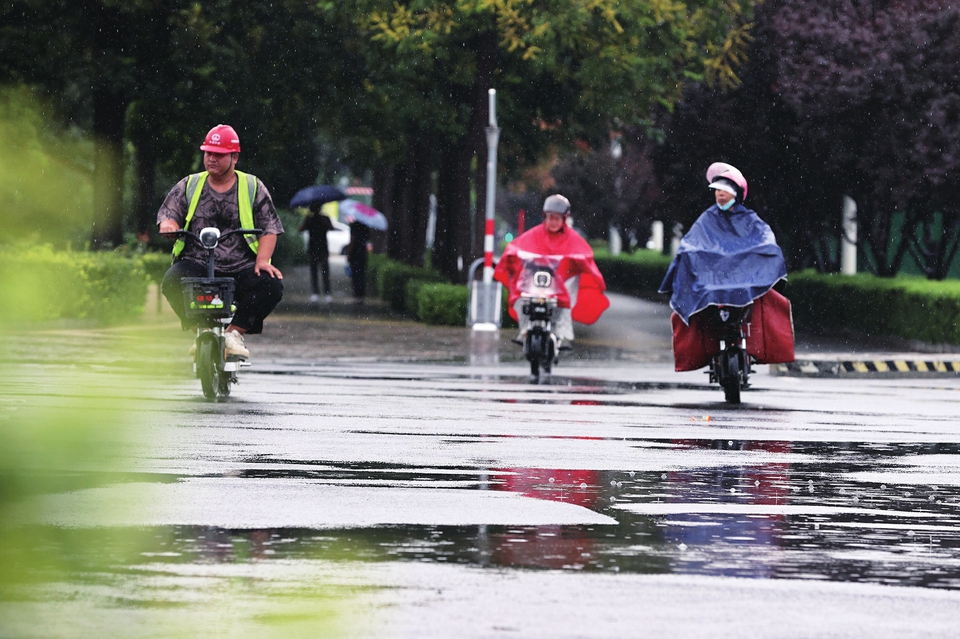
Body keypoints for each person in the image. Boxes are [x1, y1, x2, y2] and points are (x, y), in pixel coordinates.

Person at [158, 124, 284, 361]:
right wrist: (169, 225)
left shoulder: (252, 186)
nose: (211, 159)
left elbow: (270, 226)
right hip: (196, 262)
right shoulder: (190, 184)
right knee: (172, 281)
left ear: (234, 157)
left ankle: (234, 334)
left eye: (218, 154)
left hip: (241, 265)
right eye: (208, 153)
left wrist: (262, 260)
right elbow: (169, 214)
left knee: (271, 285)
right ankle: (201, 331)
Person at [659, 162, 793, 370]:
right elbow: (690, 242)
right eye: (717, 190)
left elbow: (766, 240)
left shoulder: (750, 219)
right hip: (712, 286)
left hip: (745, 284)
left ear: (737, 194)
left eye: (726, 190)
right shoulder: (707, 219)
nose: (720, 194)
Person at [494, 194, 609, 347]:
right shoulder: (534, 235)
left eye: (556, 218)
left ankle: (561, 334)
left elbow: (585, 254)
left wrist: (579, 261)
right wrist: (511, 256)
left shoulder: (573, 239)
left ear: (564, 218)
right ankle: (525, 331)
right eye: (549, 217)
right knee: (522, 297)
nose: (552, 222)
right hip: (536, 284)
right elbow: (516, 247)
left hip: (560, 286)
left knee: (567, 296)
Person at [298, 202, 334, 303]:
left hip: (321, 248)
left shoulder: (324, 218)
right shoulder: (309, 219)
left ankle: (324, 293)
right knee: (316, 271)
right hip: (315, 248)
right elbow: (301, 229)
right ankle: (318, 293)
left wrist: (324, 221)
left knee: (323, 271)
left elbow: (331, 228)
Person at [345, 218, 370, 302]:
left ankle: (356, 294)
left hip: (355, 254)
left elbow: (352, 240)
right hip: (363, 253)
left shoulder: (354, 226)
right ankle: (361, 294)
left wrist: (349, 253)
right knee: (361, 274)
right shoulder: (366, 226)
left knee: (355, 275)